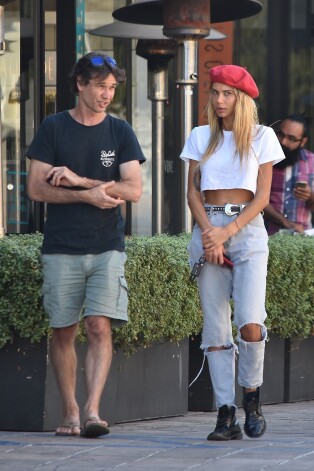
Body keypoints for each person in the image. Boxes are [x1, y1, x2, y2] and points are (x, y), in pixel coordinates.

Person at [26, 51, 146, 438]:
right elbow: (35, 187)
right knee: (64, 330)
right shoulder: (53, 127)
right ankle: (70, 412)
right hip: (61, 245)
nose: (107, 94)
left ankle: (93, 411)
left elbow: (133, 190)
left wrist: (80, 182)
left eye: (112, 88)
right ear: (79, 84)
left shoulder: (120, 131)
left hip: (107, 245)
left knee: (98, 325)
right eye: (100, 86)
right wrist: (87, 196)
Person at [180, 64, 285, 441]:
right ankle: (226, 413)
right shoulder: (199, 136)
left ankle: (252, 400)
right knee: (215, 326)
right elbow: (193, 191)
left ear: (241, 99)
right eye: (215, 92)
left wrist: (227, 231)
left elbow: (261, 198)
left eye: (228, 94)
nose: (220, 100)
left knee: (250, 320)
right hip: (208, 230)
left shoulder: (262, 137)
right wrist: (210, 233)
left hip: (246, 231)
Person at [263, 114, 314, 235]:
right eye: (280, 134)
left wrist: (310, 196)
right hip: (266, 235)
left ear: (303, 141)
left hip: (302, 238)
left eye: (291, 138)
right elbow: (254, 198)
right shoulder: (264, 159)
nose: (283, 142)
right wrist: (285, 222)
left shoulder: (312, 161)